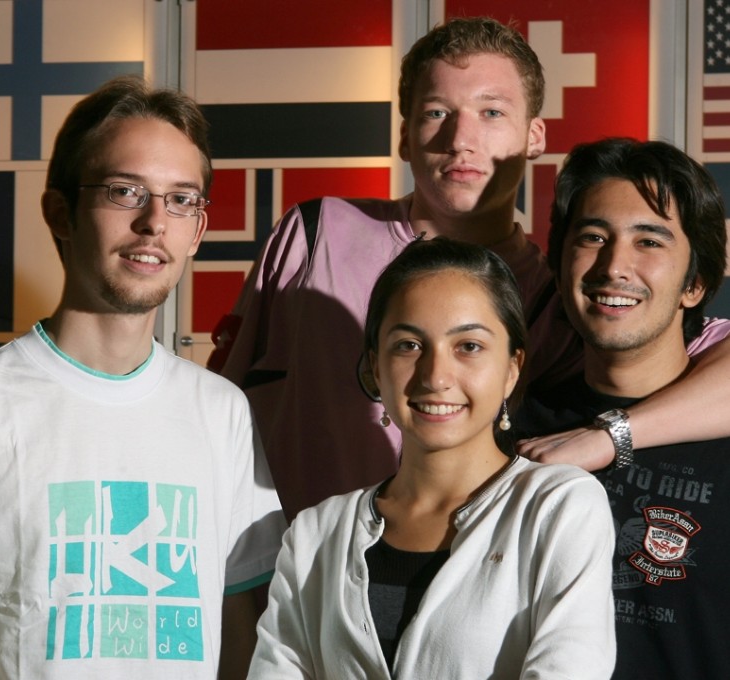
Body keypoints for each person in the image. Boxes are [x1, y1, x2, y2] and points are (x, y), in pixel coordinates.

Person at [208, 16, 730, 521]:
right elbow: (218, 403)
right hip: (287, 563)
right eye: (437, 112)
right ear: (404, 136)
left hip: (451, 568)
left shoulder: (561, 296)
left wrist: (611, 436)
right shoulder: (316, 233)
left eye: (491, 112)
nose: (461, 139)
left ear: (534, 136)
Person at [0, 75, 286, 679]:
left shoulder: (221, 412)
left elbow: (239, 630)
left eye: (181, 199)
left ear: (198, 232)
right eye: (126, 192)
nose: (155, 221)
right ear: (60, 213)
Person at [248, 237, 615, 679]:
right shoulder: (316, 534)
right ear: (375, 368)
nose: (436, 376)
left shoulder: (558, 508)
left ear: (512, 368)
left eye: (469, 346)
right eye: (408, 345)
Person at [515, 138, 730, 679]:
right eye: (593, 237)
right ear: (559, 266)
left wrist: (610, 435)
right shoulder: (511, 431)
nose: (614, 266)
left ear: (695, 283)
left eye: (649, 241)